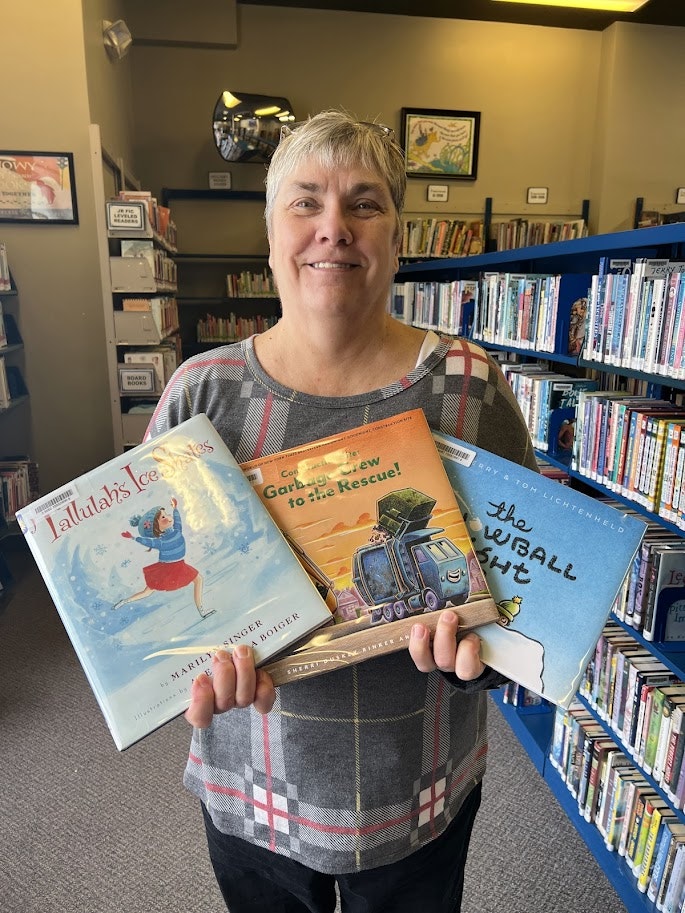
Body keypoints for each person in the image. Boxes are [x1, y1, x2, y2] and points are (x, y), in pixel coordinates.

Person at [146, 110, 537, 913]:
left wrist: (484, 649)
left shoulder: (468, 385)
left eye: (364, 203)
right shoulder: (201, 393)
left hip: (414, 795)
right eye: (305, 201)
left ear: (396, 236)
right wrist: (185, 652)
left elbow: (526, 600)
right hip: (249, 787)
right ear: (268, 235)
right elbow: (157, 606)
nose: (334, 227)